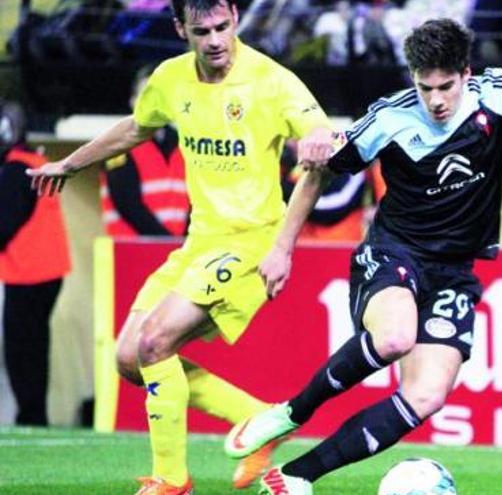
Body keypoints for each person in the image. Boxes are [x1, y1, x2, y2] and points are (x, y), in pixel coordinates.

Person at [222, 18, 502, 495]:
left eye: (446, 86)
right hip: (393, 252)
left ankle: (295, 476)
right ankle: (288, 414)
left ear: (466, 74)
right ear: (413, 79)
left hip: (455, 271)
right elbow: (317, 173)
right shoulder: (388, 118)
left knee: (426, 396)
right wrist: (282, 248)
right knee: (395, 337)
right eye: (425, 88)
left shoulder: (500, 95)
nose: (436, 100)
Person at [26, 0, 336, 493]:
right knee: (130, 358)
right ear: (179, 29)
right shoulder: (171, 79)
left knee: (154, 343)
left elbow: (320, 136)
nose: (214, 40)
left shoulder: (272, 81)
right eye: (201, 31)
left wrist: (286, 238)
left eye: (222, 27)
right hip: (199, 243)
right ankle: (259, 421)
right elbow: (134, 127)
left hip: (251, 244)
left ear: (235, 18)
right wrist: (69, 165)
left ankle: (170, 480)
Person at [0, 99, 71, 426]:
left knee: (21, 351)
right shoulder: (35, 162)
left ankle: (31, 416)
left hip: (27, 273)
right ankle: (34, 414)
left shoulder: (16, 171)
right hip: (47, 272)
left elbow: (4, 224)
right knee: (33, 348)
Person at [101, 66, 189, 237]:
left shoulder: (186, 144)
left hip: (178, 251)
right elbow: (128, 205)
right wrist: (167, 242)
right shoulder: (119, 144)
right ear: (133, 101)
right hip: (131, 251)